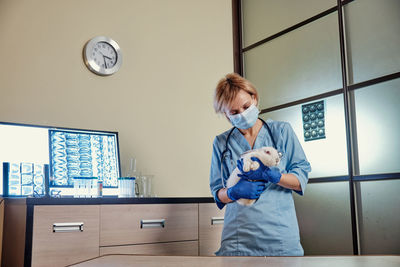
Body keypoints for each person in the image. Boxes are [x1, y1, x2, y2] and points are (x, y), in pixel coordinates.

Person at [209, 73, 311, 256]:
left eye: (246, 106)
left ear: (254, 98)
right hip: (237, 241)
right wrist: (233, 192)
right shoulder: (221, 143)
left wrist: (275, 176)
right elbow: (217, 192)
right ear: (226, 115)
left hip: (279, 238)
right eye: (234, 112)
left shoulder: (282, 132)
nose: (242, 114)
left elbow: (301, 178)